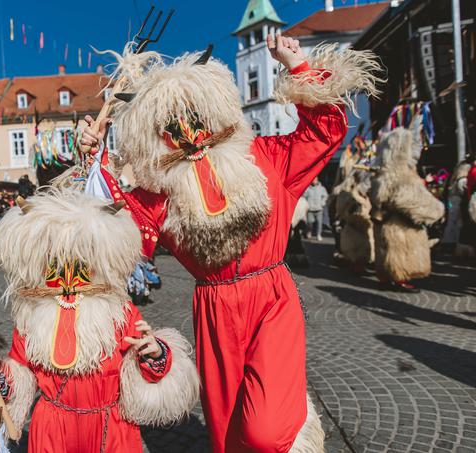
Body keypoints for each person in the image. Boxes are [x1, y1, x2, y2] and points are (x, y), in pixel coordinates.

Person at [81, 35, 381, 452]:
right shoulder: (160, 193)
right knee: (227, 431)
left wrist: (296, 64)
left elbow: (323, 133)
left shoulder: (266, 158)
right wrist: (91, 159)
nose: (190, 135)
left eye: (196, 118)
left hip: (272, 301)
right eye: (172, 128)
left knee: (266, 430)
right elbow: (108, 236)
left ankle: (295, 425)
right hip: (215, 312)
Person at [0, 190, 199, 452]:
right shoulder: (32, 316)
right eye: (55, 265)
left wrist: (154, 353)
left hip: (111, 426)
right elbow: (19, 371)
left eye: (81, 265)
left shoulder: (121, 312)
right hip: (53, 427)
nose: (68, 278)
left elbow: (144, 369)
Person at [370, 119, 445, 293]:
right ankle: (400, 279)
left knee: (387, 249)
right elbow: (410, 201)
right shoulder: (403, 177)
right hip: (401, 224)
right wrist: (435, 210)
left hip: (387, 223)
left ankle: (386, 277)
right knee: (400, 251)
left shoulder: (383, 175)